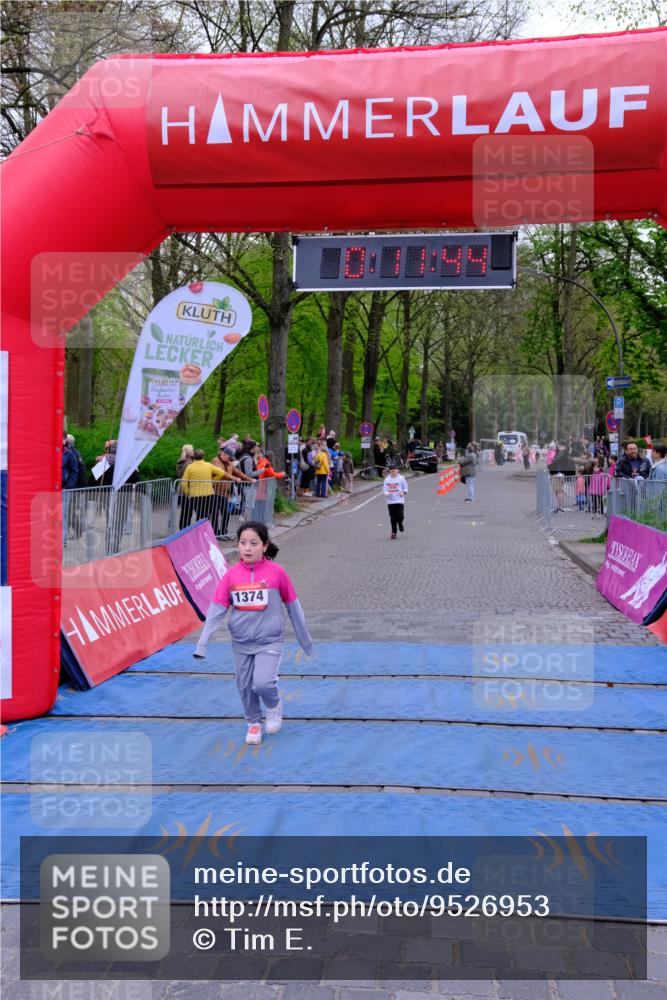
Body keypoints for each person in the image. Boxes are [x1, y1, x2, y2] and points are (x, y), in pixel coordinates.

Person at [192, 521, 314, 745]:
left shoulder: (277, 573)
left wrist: (305, 641)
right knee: (245, 685)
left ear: (265, 546)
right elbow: (216, 611)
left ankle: (274, 706)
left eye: (253, 543)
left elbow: (294, 607)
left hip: (270, 639)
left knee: (263, 683)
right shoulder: (230, 576)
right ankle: (253, 723)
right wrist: (202, 644)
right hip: (241, 642)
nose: (247, 548)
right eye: (243, 543)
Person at [180, 449, 225, 530]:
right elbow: (221, 473)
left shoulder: (190, 467)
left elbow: (183, 482)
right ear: (203, 456)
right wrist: (212, 481)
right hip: (209, 494)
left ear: (193, 456)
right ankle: (214, 533)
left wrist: (188, 492)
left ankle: (200, 533)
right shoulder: (208, 465)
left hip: (196, 496)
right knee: (214, 514)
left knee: (200, 516)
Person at [61, 434, 79, 546]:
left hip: (64, 488)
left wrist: (68, 486)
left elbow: (75, 470)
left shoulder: (69, 453)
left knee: (63, 514)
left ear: (64, 440)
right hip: (51, 489)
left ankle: (63, 539)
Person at [383, 462, 408, 538]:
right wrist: (387, 493)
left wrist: (403, 492)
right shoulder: (387, 479)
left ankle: (400, 524)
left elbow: (406, 488)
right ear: (389, 471)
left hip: (399, 500)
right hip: (390, 501)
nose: (393, 472)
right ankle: (394, 532)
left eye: (394, 470)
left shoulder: (401, 478)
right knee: (393, 517)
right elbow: (384, 490)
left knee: (400, 515)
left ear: (398, 470)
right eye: (391, 470)